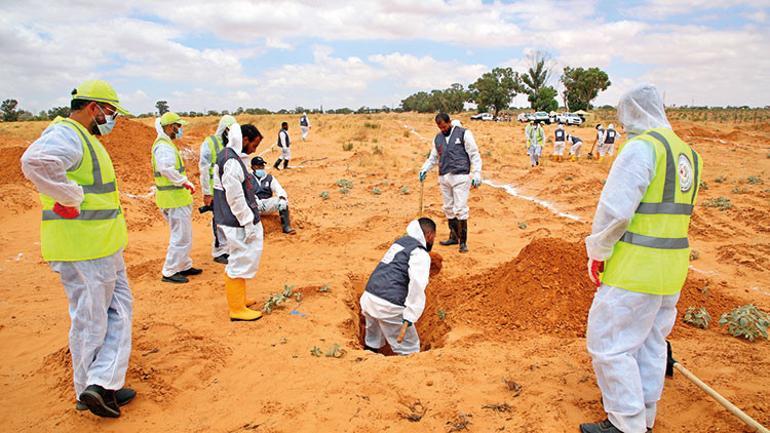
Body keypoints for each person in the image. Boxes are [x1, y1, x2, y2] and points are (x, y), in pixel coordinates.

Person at [580, 84, 703, 433]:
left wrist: (598, 252)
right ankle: (645, 417)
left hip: (636, 268)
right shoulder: (687, 154)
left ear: (632, 113)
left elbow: (615, 212)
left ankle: (625, 424)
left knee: (609, 344)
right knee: (651, 343)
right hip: (672, 269)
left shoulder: (641, 149)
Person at [20, 79, 135, 418]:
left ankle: (101, 383)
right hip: (83, 247)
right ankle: (91, 389)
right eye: (110, 112)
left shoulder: (85, 138)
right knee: (91, 320)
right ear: (93, 108)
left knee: (118, 312)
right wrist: (69, 196)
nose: (112, 119)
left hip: (103, 244)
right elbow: (36, 162)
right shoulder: (67, 134)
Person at [359, 218, 436, 355]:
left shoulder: (399, 243)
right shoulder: (420, 253)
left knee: (373, 338)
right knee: (410, 348)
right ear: (429, 235)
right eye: (433, 237)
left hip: (369, 298)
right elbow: (417, 285)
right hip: (389, 306)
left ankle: (368, 357)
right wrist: (410, 315)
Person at [213, 122, 265, 321]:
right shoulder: (231, 161)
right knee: (239, 259)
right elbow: (235, 197)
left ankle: (240, 299)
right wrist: (247, 221)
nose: (254, 150)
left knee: (242, 258)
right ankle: (236, 309)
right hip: (236, 221)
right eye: (254, 145)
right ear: (244, 140)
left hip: (235, 220)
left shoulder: (231, 157)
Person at [419, 113, 483, 253]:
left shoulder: (464, 134)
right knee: (448, 208)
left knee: (460, 208)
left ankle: (463, 242)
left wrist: (477, 173)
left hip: (460, 176)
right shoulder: (438, 138)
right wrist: (424, 169)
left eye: (444, 126)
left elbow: (474, 154)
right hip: (444, 177)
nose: (442, 129)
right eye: (440, 127)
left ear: (449, 122)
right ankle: (453, 236)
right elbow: (433, 158)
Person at [151, 111, 201, 283]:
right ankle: (170, 271)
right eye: (178, 127)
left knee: (184, 235)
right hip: (173, 198)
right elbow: (165, 168)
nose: (180, 130)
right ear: (170, 127)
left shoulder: (166, 144)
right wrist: (183, 181)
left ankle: (184, 265)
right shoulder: (164, 146)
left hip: (175, 198)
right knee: (180, 236)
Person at [199, 115, 237, 264]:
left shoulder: (232, 143)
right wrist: (207, 192)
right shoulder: (210, 143)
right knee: (219, 221)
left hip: (229, 188)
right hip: (215, 189)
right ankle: (219, 251)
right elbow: (203, 167)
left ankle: (227, 248)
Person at [251, 156, 296, 234]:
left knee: (283, 202)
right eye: (258, 166)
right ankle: (254, 231)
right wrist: (255, 201)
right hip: (255, 205)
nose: (261, 168)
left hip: (266, 204)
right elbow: (247, 192)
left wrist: (282, 198)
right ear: (253, 167)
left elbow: (278, 188)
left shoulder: (269, 178)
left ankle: (286, 227)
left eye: (262, 166)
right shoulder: (248, 178)